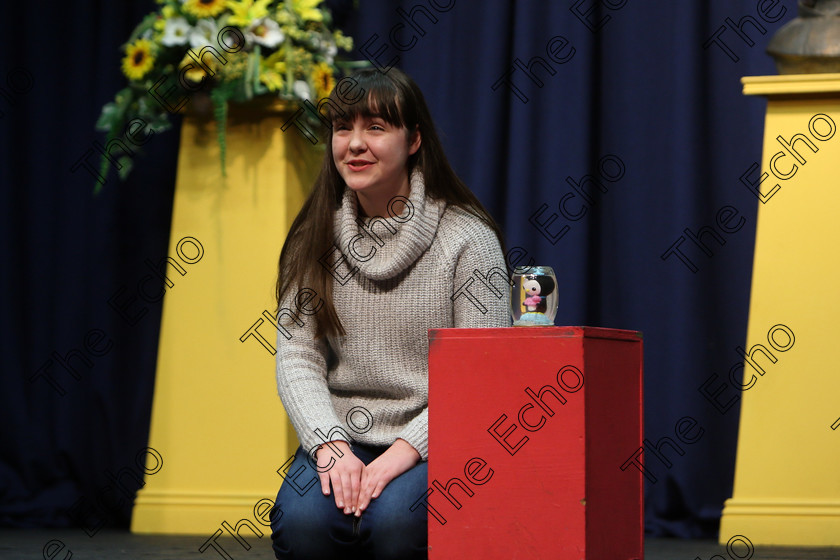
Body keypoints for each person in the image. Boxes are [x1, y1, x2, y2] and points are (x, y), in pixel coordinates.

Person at [270, 67, 510, 560]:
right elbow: (297, 358)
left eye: (376, 128)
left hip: (437, 435)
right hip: (343, 433)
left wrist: (403, 454)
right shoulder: (311, 236)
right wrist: (329, 446)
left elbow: (483, 377)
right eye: (343, 128)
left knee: (398, 524)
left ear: (414, 139)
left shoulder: (468, 238)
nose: (354, 144)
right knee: (303, 525)